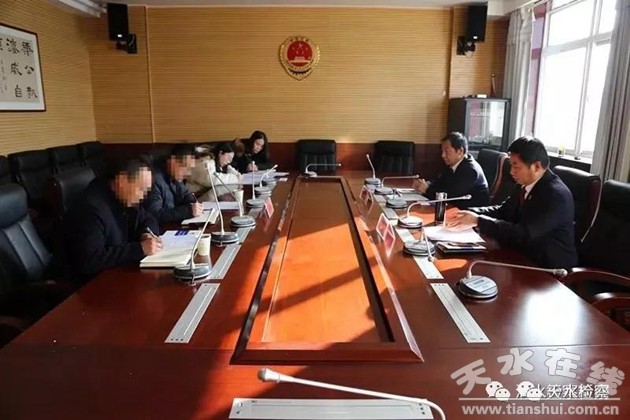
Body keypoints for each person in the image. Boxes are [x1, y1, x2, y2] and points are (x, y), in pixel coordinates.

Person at [448, 136, 578, 269]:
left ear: (536, 166)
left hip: (547, 268)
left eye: (516, 166)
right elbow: (503, 211)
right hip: (520, 255)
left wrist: (478, 220)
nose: (511, 171)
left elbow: (524, 234)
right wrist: (470, 213)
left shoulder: (555, 195)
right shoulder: (524, 185)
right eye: (511, 165)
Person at [64, 159, 163, 281]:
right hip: (89, 283)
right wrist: (139, 249)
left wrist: (146, 234)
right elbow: (90, 260)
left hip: (115, 272)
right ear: (122, 180)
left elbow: (148, 218)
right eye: (141, 189)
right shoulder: (90, 208)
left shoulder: (123, 196)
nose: (143, 196)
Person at [414, 132, 489, 209]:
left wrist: (427, 190)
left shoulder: (470, 170)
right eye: (442, 151)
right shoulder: (453, 164)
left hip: (469, 212)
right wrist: (425, 184)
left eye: (446, 151)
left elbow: (451, 196)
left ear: (460, 151)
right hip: (454, 207)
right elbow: (440, 182)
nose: (443, 155)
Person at [143, 144, 202, 224]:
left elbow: (185, 194)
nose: (188, 173)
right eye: (185, 167)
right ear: (173, 161)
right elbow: (155, 215)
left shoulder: (175, 173)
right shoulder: (154, 180)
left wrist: (193, 203)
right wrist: (188, 211)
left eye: (190, 169)